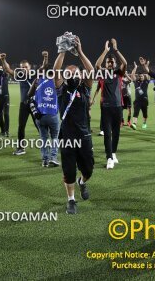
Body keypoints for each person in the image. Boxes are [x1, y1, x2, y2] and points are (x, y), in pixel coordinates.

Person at [53, 36, 95, 215]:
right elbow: (55, 70)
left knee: (89, 169)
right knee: (68, 171)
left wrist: (80, 52)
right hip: (68, 137)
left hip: (84, 136)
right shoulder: (62, 90)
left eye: (75, 73)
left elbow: (91, 70)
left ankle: (82, 182)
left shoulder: (84, 88)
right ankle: (71, 199)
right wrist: (62, 50)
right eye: (69, 73)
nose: (73, 75)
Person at [1, 53, 47, 155]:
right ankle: (21, 148)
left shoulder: (35, 74)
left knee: (39, 126)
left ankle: (46, 146)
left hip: (35, 104)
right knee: (21, 126)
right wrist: (3, 60)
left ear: (29, 67)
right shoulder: (19, 76)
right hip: (24, 105)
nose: (24, 69)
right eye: (22, 67)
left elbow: (43, 67)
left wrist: (45, 57)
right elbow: (8, 70)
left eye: (26, 67)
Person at [94, 39, 127, 169]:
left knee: (116, 133)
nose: (110, 63)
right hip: (106, 108)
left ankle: (113, 153)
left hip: (118, 107)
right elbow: (97, 65)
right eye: (108, 61)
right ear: (106, 64)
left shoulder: (119, 73)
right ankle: (109, 158)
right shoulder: (102, 72)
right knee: (107, 133)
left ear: (114, 64)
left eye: (112, 62)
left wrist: (116, 49)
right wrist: (106, 51)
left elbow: (125, 62)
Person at [28, 56, 60, 168]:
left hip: (40, 115)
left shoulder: (38, 80)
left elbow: (29, 95)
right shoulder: (57, 81)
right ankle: (53, 158)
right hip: (53, 114)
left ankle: (45, 160)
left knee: (44, 138)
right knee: (55, 137)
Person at [130, 62, 150, 130]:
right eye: (140, 76)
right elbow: (132, 75)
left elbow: (148, 74)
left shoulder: (146, 82)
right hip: (137, 101)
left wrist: (146, 66)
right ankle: (134, 124)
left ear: (144, 77)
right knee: (136, 112)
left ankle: (144, 123)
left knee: (145, 114)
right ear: (138, 76)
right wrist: (135, 67)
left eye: (142, 76)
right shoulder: (136, 82)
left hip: (144, 100)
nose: (141, 77)